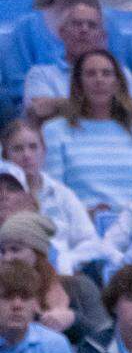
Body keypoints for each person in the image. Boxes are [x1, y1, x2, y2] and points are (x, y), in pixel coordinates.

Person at [40, 50, 132, 220]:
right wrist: (85, 216)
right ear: (78, 83)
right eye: (90, 74)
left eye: (106, 74)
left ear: (118, 82)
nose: (99, 80)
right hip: (76, 226)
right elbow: (53, 194)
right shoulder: (55, 131)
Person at [0, 119, 103, 277]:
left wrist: (67, 260)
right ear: (6, 156)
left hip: (61, 275)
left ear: (44, 151)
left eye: (33, 147)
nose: (27, 155)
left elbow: (90, 240)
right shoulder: (3, 197)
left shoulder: (61, 193)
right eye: (18, 149)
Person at [0, 212, 107, 346]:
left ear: (38, 252)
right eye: (3, 251)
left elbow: (107, 339)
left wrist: (74, 320)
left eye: (15, 249)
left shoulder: (79, 286)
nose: (7, 258)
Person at [22, 3, 132, 123]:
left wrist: (58, 105)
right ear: (62, 33)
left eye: (92, 25)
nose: (84, 29)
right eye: (77, 24)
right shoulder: (40, 74)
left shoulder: (121, 73)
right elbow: (40, 110)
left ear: (103, 37)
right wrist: (103, 104)